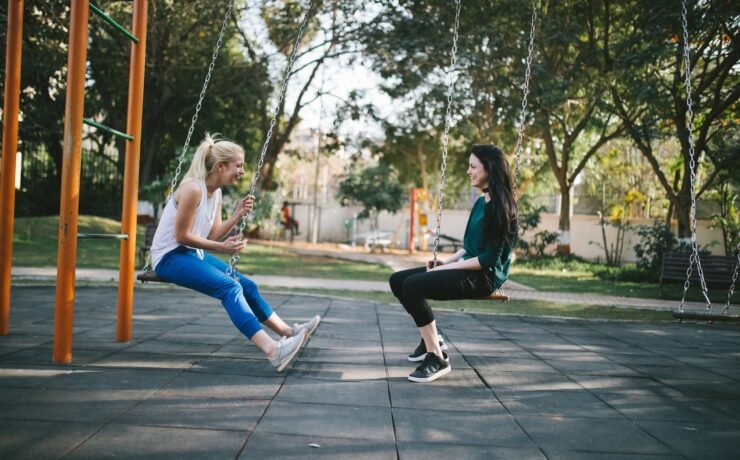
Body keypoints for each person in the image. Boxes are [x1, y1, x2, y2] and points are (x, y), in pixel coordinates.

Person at [150, 133, 320, 372]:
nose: (242, 171)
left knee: (247, 285)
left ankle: (288, 332)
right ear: (220, 166)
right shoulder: (192, 189)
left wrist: (237, 214)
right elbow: (181, 237)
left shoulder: (216, 193)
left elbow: (213, 234)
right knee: (230, 287)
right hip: (169, 256)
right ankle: (273, 350)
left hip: (189, 254)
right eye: (238, 165)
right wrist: (222, 248)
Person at [389, 144, 517, 383]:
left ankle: (436, 357)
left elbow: (488, 259)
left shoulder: (501, 208)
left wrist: (447, 268)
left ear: (489, 168)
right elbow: (469, 246)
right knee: (398, 280)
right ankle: (432, 339)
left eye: (473, 166)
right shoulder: (481, 202)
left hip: (485, 276)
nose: (468, 171)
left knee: (413, 286)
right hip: (469, 265)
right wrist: (445, 261)